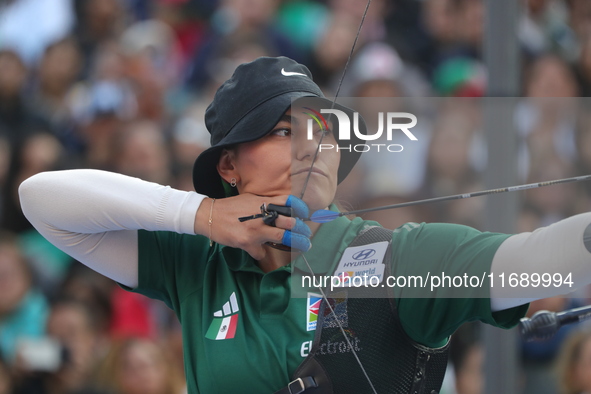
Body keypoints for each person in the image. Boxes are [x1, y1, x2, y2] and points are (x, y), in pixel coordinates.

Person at [18, 56, 591, 393]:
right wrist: (202, 215)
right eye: (286, 130)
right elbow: (42, 199)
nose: (314, 146)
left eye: (324, 131)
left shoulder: (402, 260)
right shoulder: (197, 264)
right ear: (229, 165)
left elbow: (538, 259)